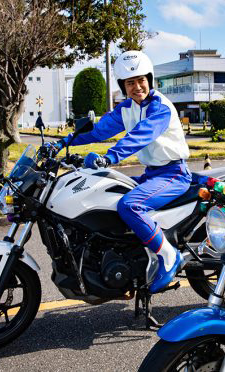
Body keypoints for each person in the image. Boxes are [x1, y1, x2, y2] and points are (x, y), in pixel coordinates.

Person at [49, 50, 191, 293]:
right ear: (123, 86)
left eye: (141, 80)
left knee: (130, 205)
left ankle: (169, 255)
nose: (137, 87)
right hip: (152, 174)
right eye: (130, 82)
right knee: (104, 192)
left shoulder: (161, 107)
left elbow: (140, 135)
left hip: (173, 174)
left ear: (150, 79)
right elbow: (97, 131)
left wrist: (109, 157)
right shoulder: (126, 108)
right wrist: (62, 142)